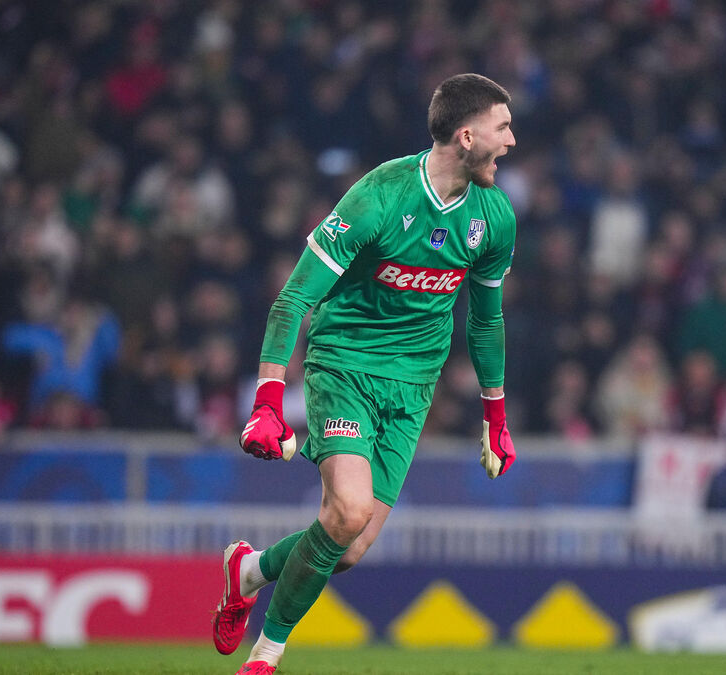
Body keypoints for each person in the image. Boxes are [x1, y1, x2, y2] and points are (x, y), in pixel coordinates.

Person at [212, 73, 518, 675]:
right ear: (466, 135)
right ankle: (266, 657)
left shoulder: (495, 217)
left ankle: (246, 571)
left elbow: (485, 322)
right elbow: (293, 298)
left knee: (347, 547)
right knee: (346, 511)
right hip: (345, 364)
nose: (511, 140)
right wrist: (268, 401)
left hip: (412, 387)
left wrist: (496, 414)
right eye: (503, 126)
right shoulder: (379, 196)